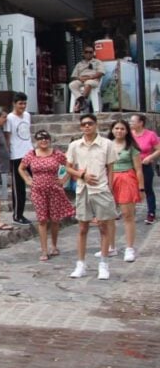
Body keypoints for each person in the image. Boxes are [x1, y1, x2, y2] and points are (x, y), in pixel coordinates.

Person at [66, 113, 118, 279]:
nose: (87, 126)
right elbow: (68, 167)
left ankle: (104, 263)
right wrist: (81, 175)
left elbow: (110, 168)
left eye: (90, 123)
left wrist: (110, 188)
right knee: (82, 228)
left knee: (104, 226)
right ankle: (80, 263)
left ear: (96, 125)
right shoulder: (75, 145)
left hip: (101, 189)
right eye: (84, 124)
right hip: (83, 189)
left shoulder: (106, 144)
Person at [18, 130, 75, 261]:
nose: (43, 141)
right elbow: (21, 168)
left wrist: (64, 180)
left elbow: (69, 166)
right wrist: (27, 180)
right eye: (40, 138)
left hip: (54, 189)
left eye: (46, 138)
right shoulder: (31, 154)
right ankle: (44, 250)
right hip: (38, 190)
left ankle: (54, 245)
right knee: (42, 219)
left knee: (55, 219)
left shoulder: (57, 154)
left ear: (49, 140)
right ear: (36, 141)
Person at [108, 120, 144, 263]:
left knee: (127, 215)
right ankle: (110, 246)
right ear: (112, 130)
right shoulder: (106, 146)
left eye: (122, 128)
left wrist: (141, 187)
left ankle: (129, 248)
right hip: (109, 179)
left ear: (127, 131)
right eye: (116, 128)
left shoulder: (131, 147)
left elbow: (139, 169)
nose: (119, 131)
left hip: (126, 178)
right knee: (108, 216)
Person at [5, 92, 33, 226]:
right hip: (16, 155)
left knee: (40, 180)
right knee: (19, 187)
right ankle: (18, 215)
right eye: (20, 103)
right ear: (14, 104)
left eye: (25, 103)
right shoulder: (10, 118)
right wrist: (9, 153)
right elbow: (7, 136)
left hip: (30, 152)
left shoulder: (27, 115)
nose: (23, 106)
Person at [129, 113, 159, 225]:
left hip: (144, 165)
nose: (131, 123)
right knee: (131, 189)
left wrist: (150, 157)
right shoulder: (129, 135)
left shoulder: (150, 135)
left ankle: (151, 212)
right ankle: (130, 212)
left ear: (141, 123)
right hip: (131, 166)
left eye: (133, 121)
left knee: (147, 189)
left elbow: (158, 149)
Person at [69, 46, 104, 112]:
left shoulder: (98, 62)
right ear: (83, 53)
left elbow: (100, 73)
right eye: (86, 52)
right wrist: (79, 78)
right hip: (81, 80)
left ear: (93, 53)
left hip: (93, 80)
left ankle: (81, 103)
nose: (88, 54)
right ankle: (82, 101)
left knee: (88, 83)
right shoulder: (79, 64)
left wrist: (90, 77)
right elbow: (74, 76)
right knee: (72, 84)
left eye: (90, 52)